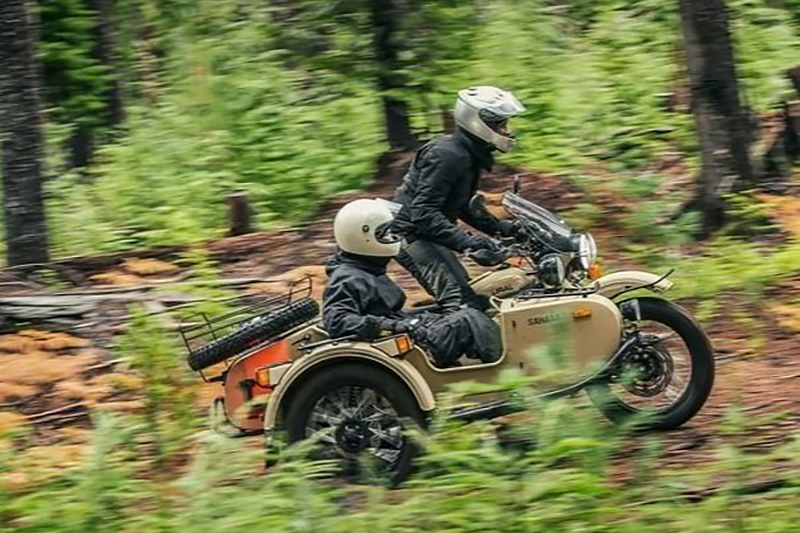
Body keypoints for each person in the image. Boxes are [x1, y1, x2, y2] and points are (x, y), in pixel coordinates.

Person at [322, 199, 502, 368]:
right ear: (363, 237)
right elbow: (337, 321)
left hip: (405, 333)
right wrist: (397, 326)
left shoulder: (365, 267)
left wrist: (412, 321)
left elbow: (387, 313)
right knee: (468, 319)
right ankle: (508, 372)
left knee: (478, 305)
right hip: (400, 343)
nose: (392, 238)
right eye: (384, 234)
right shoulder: (347, 277)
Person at [391, 86, 526, 311]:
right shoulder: (447, 155)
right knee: (462, 303)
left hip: (428, 235)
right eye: (501, 125)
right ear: (479, 122)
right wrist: (469, 242)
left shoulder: (467, 154)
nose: (506, 131)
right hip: (410, 235)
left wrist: (505, 229)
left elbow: (462, 204)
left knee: (478, 294)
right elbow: (423, 213)